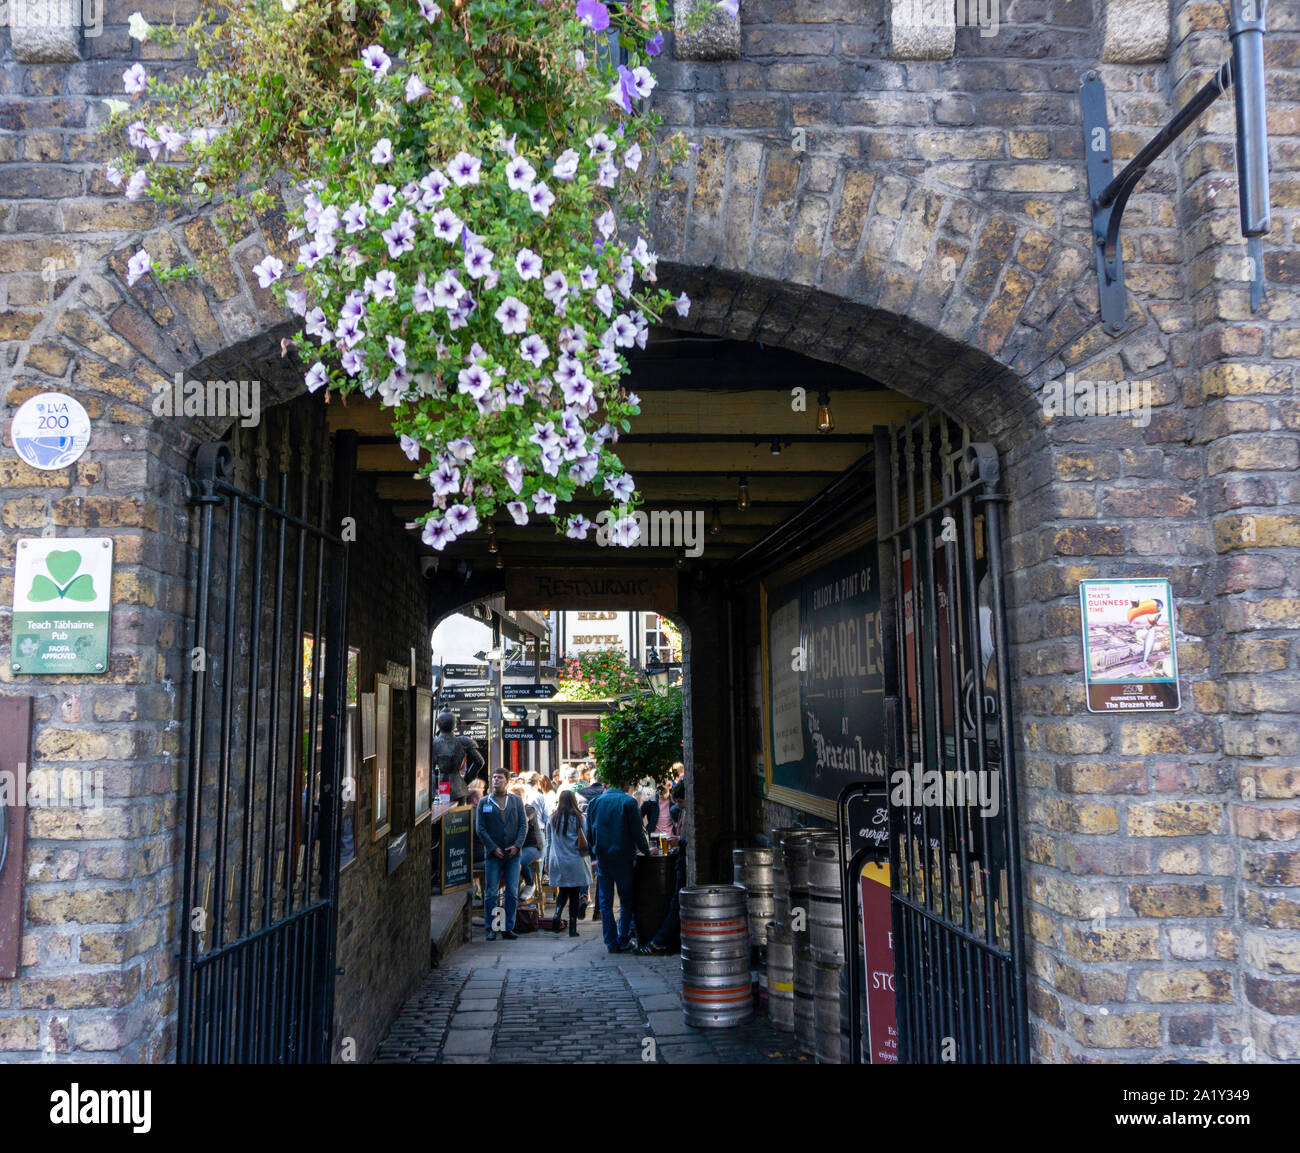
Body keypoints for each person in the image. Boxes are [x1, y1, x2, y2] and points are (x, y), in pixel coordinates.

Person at [585, 781, 651, 953]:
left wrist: (594, 853)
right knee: (626, 900)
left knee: (605, 902)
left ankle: (611, 941)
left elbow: (589, 833)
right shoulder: (628, 802)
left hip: (603, 857)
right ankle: (623, 938)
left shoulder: (595, 802)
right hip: (624, 857)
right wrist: (646, 850)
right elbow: (638, 832)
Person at [475, 769, 526, 940]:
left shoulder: (516, 801)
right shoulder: (484, 802)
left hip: (513, 854)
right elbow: (480, 828)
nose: (496, 780)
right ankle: (491, 928)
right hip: (493, 855)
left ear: (507, 781)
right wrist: (492, 847)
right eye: (494, 778)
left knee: (511, 891)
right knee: (491, 893)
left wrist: (517, 846)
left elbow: (523, 826)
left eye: (500, 778)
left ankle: (507, 927)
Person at [637, 781, 688, 955]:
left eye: (681, 802)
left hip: (676, 849)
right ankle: (663, 939)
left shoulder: (681, 810)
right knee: (675, 902)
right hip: (658, 839)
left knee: (675, 903)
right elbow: (640, 814)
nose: (679, 806)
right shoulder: (652, 802)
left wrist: (677, 840)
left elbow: (687, 837)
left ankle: (661, 941)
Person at [544, 789, 591, 937]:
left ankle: (557, 916)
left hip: (558, 860)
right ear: (573, 801)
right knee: (575, 894)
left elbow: (548, 841)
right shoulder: (580, 818)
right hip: (576, 860)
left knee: (563, 891)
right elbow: (587, 838)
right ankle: (572, 928)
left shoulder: (552, 818)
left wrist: (546, 860)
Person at [433, 711, 485, 802]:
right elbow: (479, 761)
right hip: (457, 785)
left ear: (438, 723)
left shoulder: (434, 742)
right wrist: (466, 780)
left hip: (439, 783)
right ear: (455, 724)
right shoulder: (463, 741)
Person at [509, 782, 545, 899]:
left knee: (519, 861)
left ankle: (530, 883)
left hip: (533, 846)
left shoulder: (529, 809)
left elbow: (524, 820)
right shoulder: (510, 811)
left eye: (513, 798)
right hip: (519, 846)